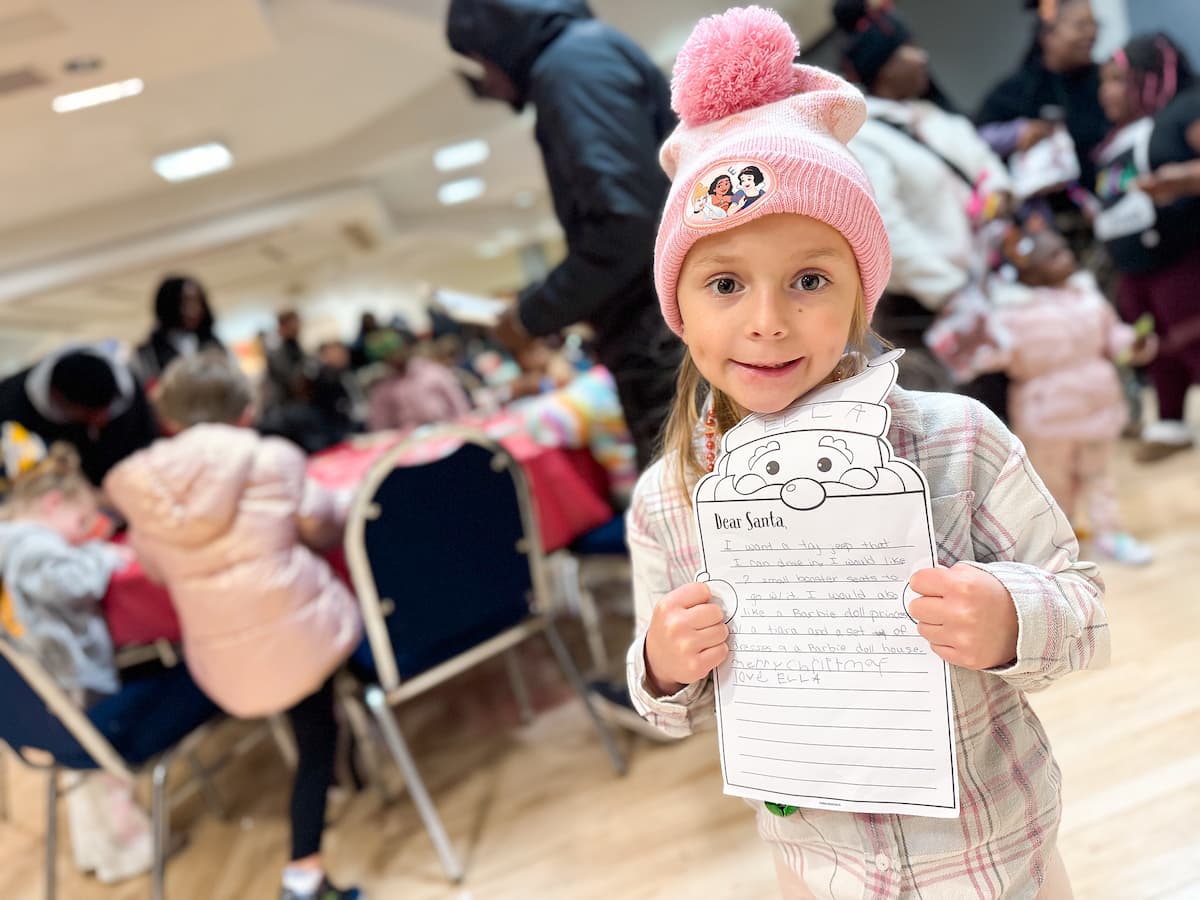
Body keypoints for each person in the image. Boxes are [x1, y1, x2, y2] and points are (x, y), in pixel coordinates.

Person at [627, 8, 1106, 896]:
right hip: (823, 870)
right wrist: (661, 665)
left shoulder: (959, 439)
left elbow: (1083, 606)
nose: (767, 320)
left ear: (861, 292)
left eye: (809, 279)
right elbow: (666, 710)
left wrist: (1011, 616)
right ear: (679, 309)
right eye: (724, 283)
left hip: (996, 860)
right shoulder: (669, 500)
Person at [104, 352, 364, 900]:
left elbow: (153, 569)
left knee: (307, 715)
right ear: (246, 411)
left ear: (169, 419)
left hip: (221, 661)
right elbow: (322, 525)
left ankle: (340, 787)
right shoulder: (272, 459)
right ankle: (304, 871)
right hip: (300, 639)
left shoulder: (141, 488)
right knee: (318, 727)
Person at [446, 0, 683, 470]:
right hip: (666, 327)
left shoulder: (570, 67)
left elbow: (626, 226)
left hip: (662, 337)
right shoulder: (582, 57)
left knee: (705, 501)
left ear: (497, 36)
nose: (486, 79)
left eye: (480, 60)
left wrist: (530, 314)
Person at [832, 0, 1014, 414]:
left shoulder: (937, 118)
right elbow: (888, 229)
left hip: (987, 285)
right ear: (881, 67)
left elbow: (985, 165)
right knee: (952, 417)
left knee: (1005, 406)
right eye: (907, 49)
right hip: (927, 307)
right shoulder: (864, 138)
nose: (922, 57)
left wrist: (999, 191)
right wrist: (950, 290)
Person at [0, 443, 152, 884]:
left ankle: (100, 851)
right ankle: (124, 852)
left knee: (87, 778)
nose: (83, 532)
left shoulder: (13, 540)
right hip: (71, 678)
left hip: (46, 690)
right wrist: (103, 556)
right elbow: (72, 583)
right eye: (81, 521)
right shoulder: (31, 547)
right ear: (52, 504)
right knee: (102, 777)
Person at [976, 221, 1155, 563]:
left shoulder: (1087, 296)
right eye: (1054, 255)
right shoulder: (1010, 312)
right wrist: (976, 348)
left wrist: (1133, 343)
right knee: (1053, 485)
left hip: (1097, 407)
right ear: (1028, 270)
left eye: (1064, 249)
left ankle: (1110, 534)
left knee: (1100, 478)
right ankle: (1059, 544)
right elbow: (995, 355)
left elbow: (1111, 335)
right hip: (1047, 418)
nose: (1067, 257)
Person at [1094, 32, 1200, 463]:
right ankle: (1171, 421)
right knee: (1157, 346)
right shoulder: (1118, 135)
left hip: (1182, 256)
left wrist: (1183, 179)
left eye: (1118, 79)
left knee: (1192, 337)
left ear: (1151, 77)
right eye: (1104, 81)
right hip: (1136, 267)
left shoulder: (1186, 109)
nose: (1107, 92)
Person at [977, 0, 1108, 188]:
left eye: (1094, 24)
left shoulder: (1104, 81)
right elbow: (977, 140)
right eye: (1080, 26)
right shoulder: (1020, 90)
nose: (1091, 34)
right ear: (1048, 34)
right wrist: (1016, 134)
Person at [0, 343, 158, 490]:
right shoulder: (11, 409)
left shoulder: (125, 391)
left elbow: (146, 444)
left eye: (105, 412)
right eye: (90, 415)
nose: (102, 421)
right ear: (59, 401)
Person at [365, 330, 471, 432]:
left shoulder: (434, 372)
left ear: (407, 347)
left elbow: (460, 407)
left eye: (397, 350)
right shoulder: (383, 387)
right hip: (407, 441)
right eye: (389, 354)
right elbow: (379, 426)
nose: (394, 357)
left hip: (447, 433)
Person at [133, 275, 224, 386]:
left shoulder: (212, 343)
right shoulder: (150, 354)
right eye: (185, 303)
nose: (194, 310)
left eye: (198, 302)